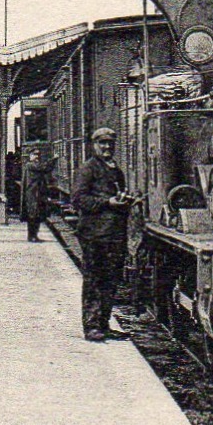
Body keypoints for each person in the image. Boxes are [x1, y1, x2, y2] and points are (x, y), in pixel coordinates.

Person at [73, 127, 133, 342]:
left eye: (110, 143)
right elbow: (78, 199)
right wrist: (107, 202)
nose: (107, 147)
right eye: (102, 143)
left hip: (114, 233)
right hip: (94, 234)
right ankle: (91, 326)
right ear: (94, 145)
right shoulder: (88, 169)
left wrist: (124, 200)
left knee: (110, 280)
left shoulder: (116, 170)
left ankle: (104, 324)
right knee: (94, 280)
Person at [21, 147, 56, 242]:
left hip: (36, 193)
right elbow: (44, 168)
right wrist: (54, 159)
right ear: (30, 156)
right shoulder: (30, 165)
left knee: (36, 215)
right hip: (32, 194)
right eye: (35, 155)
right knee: (33, 215)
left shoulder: (31, 165)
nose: (37, 157)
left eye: (38, 155)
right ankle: (32, 236)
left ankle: (33, 236)